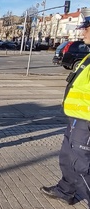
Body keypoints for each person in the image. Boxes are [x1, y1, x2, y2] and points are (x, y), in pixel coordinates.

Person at [40, 13, 90, 206]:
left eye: (86, 28)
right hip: (76, 118)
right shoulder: (87, 56)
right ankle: (65, 191)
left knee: (81, 165)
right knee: (68, 158)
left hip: (86, 121)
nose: (83, 32)